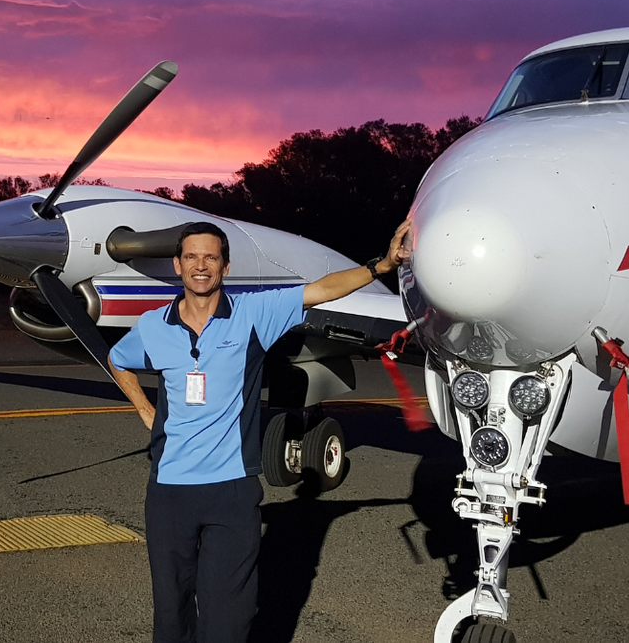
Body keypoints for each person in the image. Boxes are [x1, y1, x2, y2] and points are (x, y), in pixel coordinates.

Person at [108, 219, 410, 643]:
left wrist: (382, 266)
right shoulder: (153, 326)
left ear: (225, 267)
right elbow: (118, 359)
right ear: (177, 265)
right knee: (171, 614)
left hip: (231, 491)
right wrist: (144, 407)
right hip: (168, 492)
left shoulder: (254, 314)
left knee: (229, 619)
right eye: (191, 257)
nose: (201, 266)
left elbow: (322, 290)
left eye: (211, 257)